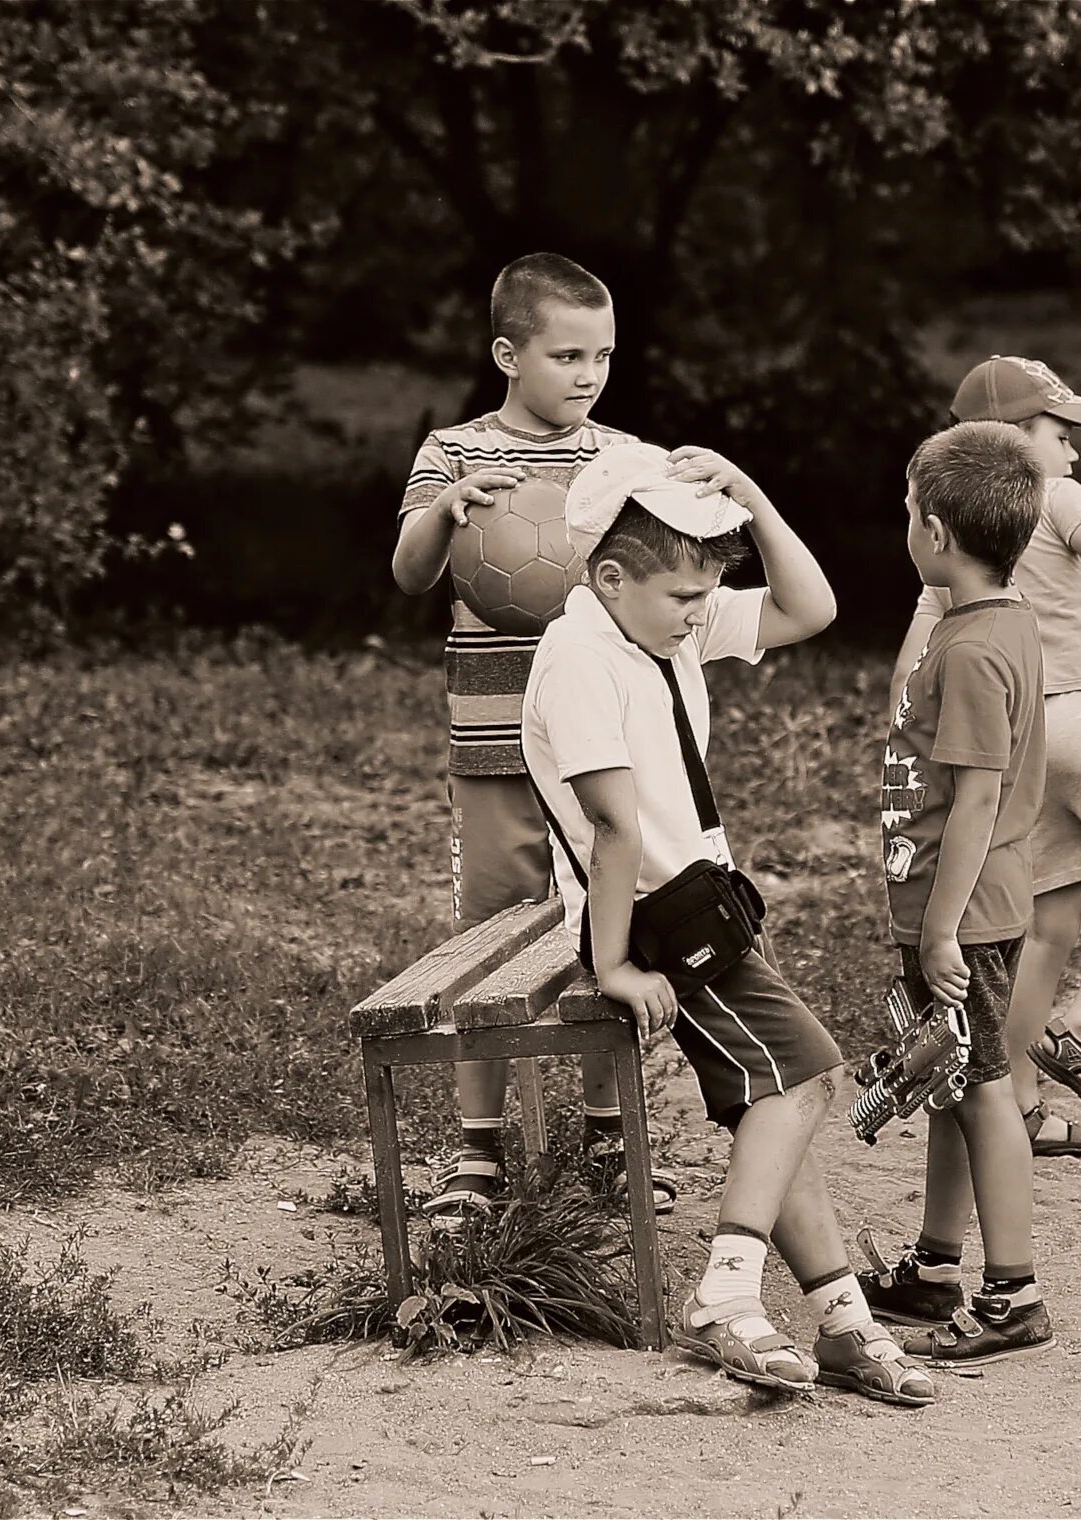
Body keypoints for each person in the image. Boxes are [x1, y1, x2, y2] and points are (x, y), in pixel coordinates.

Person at [518, 439, 933, 1408]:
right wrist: (616, 963)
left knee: (775, 1104)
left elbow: (810, 607)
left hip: (698, 906)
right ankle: (726, 1294)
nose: (700, 613)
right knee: (808, 1078)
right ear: (612, 576)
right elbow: (613, 823)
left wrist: (746, 490)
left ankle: (841, 1321)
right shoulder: (579, 652)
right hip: (657, 922)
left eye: (709, 593)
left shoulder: (656, 628)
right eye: (683, 594)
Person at [391, 253, 676, 1220]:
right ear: (509, 354)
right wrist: (443, 514)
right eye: (567, 356)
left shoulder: (627, 460)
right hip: (494, 741)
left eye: (602, 354)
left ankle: (607, 1130)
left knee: (607, 927)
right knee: (491, 935)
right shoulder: (456, 452)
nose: (589, 374)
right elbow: (409, 573)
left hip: (598, 749)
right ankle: (478, 1147)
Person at [890, 357, 1081, 1158]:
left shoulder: (950, 530)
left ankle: (1021, 1098)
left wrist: (905, 737)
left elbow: (914, 653)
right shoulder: (1048, 493)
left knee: (1051, 920)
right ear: (1013, 443)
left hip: (1018, 740)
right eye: (1061, 436)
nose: (1072, 456)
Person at [860, 421, 1057, 1365]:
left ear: (935, 532)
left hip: (964, 917)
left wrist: (939, 932)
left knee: (983, 1094)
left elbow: (977, 797)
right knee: (950, 1083)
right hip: (958, 909)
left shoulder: (977, 649)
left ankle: (1012, 1292)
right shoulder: (988, 623)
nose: (903, 527)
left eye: (908, 512)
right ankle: (937, 1267)